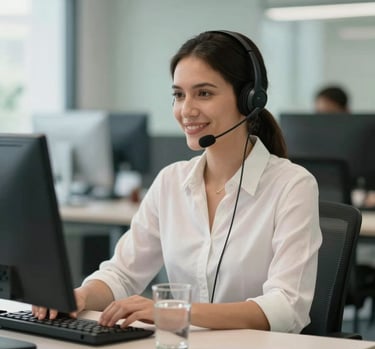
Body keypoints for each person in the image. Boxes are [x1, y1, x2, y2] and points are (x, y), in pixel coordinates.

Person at [33, 30, 322, 333]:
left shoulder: (292, 185)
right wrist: (77, 297)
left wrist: (175, 312)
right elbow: (122, 274)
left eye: (204, 93)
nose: (186, 110)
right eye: (179, 95)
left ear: (249, 99)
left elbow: (286, 307)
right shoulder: (171, 182)